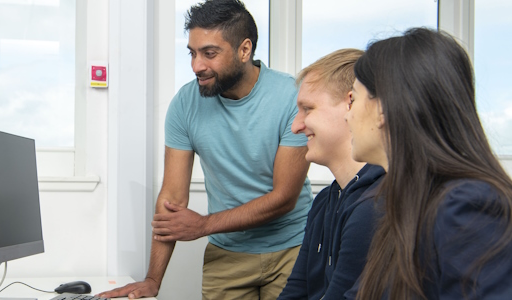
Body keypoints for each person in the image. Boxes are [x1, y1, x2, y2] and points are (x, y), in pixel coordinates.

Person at [97, 0, 312, 299]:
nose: (197, 65)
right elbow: (171, 199)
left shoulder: (291, 96)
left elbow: (283, 198)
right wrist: (152, 280)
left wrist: (203, 225)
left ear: (244, 50)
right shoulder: (185, 104)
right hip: (228, 253)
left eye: (210, 53)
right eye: (193, 53)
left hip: (294, 248)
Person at [344, 27, 512, 299]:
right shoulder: (403, 203)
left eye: (354, 98)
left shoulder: (468, 206)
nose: (347, 117)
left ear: (384, 108)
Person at [278, 49, 385, 300]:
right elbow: (295, 291)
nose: (295, 126)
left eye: (308, 109)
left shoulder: (377, 205)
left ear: (351, 104)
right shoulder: (325, 201)